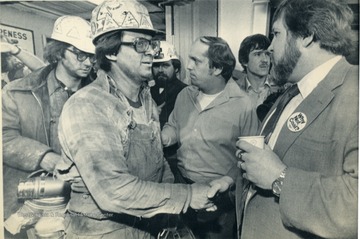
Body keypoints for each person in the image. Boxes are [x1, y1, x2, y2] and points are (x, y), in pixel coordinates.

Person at [55, 1, 215, 238]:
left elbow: (159, 166)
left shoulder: (145, 98)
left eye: (150, 43)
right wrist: (188, 196)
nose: (151, 51)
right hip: (102, 231)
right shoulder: (88, 105)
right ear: (110, 51)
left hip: (146, 225)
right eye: (140, 44)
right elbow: (114, 191)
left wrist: (175, 212)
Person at [234, 0, 358, 238]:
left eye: (276, 34)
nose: (270, 47)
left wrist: (280, 178)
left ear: (307, 35)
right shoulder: (291, 91)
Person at [2, 15, 95, 237]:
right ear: (59, 52)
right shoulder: (18, 92)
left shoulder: (97, 95)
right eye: (80, 54)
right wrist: (47, 158)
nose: (88, 62)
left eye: (92, 56)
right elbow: (4, 137)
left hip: (79, 203)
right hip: (25, 199)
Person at [161, 36, 259, 239]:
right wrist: (165, 136)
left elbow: (250, 157)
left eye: (196, 61)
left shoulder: (243, 105)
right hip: (181, 189)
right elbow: (173, 125)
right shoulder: (185, 95)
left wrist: (228, 181)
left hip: (217, 199)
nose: (188, 66)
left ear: (216, 69)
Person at [150, 41, 187, 170]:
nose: (160, 70)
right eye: (156, 66)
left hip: (175, 157)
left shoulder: (186, 92)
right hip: (151, 155)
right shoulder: (145, 92)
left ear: (176, 68)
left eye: (165, 66)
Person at [234, 34, 281, 109]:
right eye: (258, 54)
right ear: (244, 61)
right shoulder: (233, 90)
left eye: (267, 54)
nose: (265, 60)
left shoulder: (281, 88)